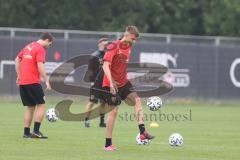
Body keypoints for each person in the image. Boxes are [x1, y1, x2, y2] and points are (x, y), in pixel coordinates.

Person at [102, 26, 154, 151]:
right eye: (133, 39)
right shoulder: (113, 46)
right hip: (110, 83)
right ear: (127, 35)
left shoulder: (129, 46)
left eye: (135, 39)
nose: (134, 41)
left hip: (124, 83)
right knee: (114, 112)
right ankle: (108, 144)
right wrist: (111, 83)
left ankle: (142, 133)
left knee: (137, 101)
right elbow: (105, 65)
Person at [15, 32, 53, 139]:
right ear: (47, 40)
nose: (49, 47)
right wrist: (46, 80)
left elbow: (17, 59)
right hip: (33, 82)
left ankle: (26, 133)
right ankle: (36, 131)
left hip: (23, 82)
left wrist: (19, 75)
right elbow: (40, 65)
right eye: (50, 45)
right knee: (41, 105)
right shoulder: (40, 48)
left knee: (30, 107)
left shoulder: (28, 46)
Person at [83, 38, 109, 128]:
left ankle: (102, 122)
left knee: (103, 103)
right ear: (100, 44)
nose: (106, 43)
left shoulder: (108, 54)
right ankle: (86, 120)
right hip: (96, 83)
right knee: (92, 102)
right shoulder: (95, 55)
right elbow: (90, 71)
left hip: (105, 83)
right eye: (104, 42)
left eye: (107, 42)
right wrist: (92, 82)